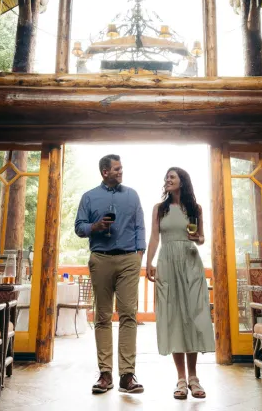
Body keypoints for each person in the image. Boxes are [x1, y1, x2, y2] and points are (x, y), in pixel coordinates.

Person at [74, 154, 146, 395]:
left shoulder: (132, 195)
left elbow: (139, 226)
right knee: (103, 316)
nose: (120, 171)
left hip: (128, 260)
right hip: (101, 258)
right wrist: (94, 227)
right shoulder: (89, 197)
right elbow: (78, 227)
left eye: (121, 168)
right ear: (105, 171)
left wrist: (139, 256)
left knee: (128, 315)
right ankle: (105, 374)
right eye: (116, 169)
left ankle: (127, 376)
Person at [146, 167, 216, 400]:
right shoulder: (159, 209)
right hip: (167, 262)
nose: (167, 179)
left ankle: (194, 377)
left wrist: (198, 238)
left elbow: (202, 238)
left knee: (192, 316)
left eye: (172, 177)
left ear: (182, 182)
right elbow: (155, 237)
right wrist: (149, 262)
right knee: (173, 316)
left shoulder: (195, 209)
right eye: (166, 177)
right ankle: (181, 378)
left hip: (190, 262)